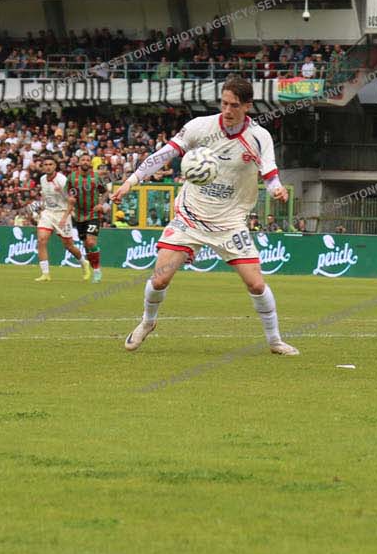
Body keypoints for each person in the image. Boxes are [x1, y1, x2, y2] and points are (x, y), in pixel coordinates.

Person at [112, 76, 297, 355]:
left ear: (248, 106)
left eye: (234, 105)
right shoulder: (200, 127)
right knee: (160, 279)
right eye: (224, 103)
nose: (227, 110)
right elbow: (163, 155)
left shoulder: (259, 137)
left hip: (230, 222)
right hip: (190, 216)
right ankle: (148, 322)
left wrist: (277, 190)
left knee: (256, 284)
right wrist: (131, 181)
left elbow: (269, 175)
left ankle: (274, 341)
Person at [32, 153, 85, 282]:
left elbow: (72, 200)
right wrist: (42, 208)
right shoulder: (42, 179)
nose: (48, 167)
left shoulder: (62, 180)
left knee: (69, 246)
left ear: (55, 166)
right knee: (41, 240)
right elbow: (45, 196)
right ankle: (45, 273)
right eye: (45, 165)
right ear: (42, 167)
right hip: (48, 213)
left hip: (62, 213)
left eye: (51, 164)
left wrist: (65, 216)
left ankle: (84, 262)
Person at [69, 153, 111, 283]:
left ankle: (97, 271)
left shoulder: (96, 177)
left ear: (90, 163)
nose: (85, 162)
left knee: (91, 242)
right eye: (83, 160)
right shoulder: (72, 177)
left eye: (88, 160)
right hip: (79, 216)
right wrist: (70, 200)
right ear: (79, 162)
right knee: (86, 245)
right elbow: (67, 193)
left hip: (93, 214)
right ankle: (93, 265)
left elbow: (105, 192)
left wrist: (101, 204)